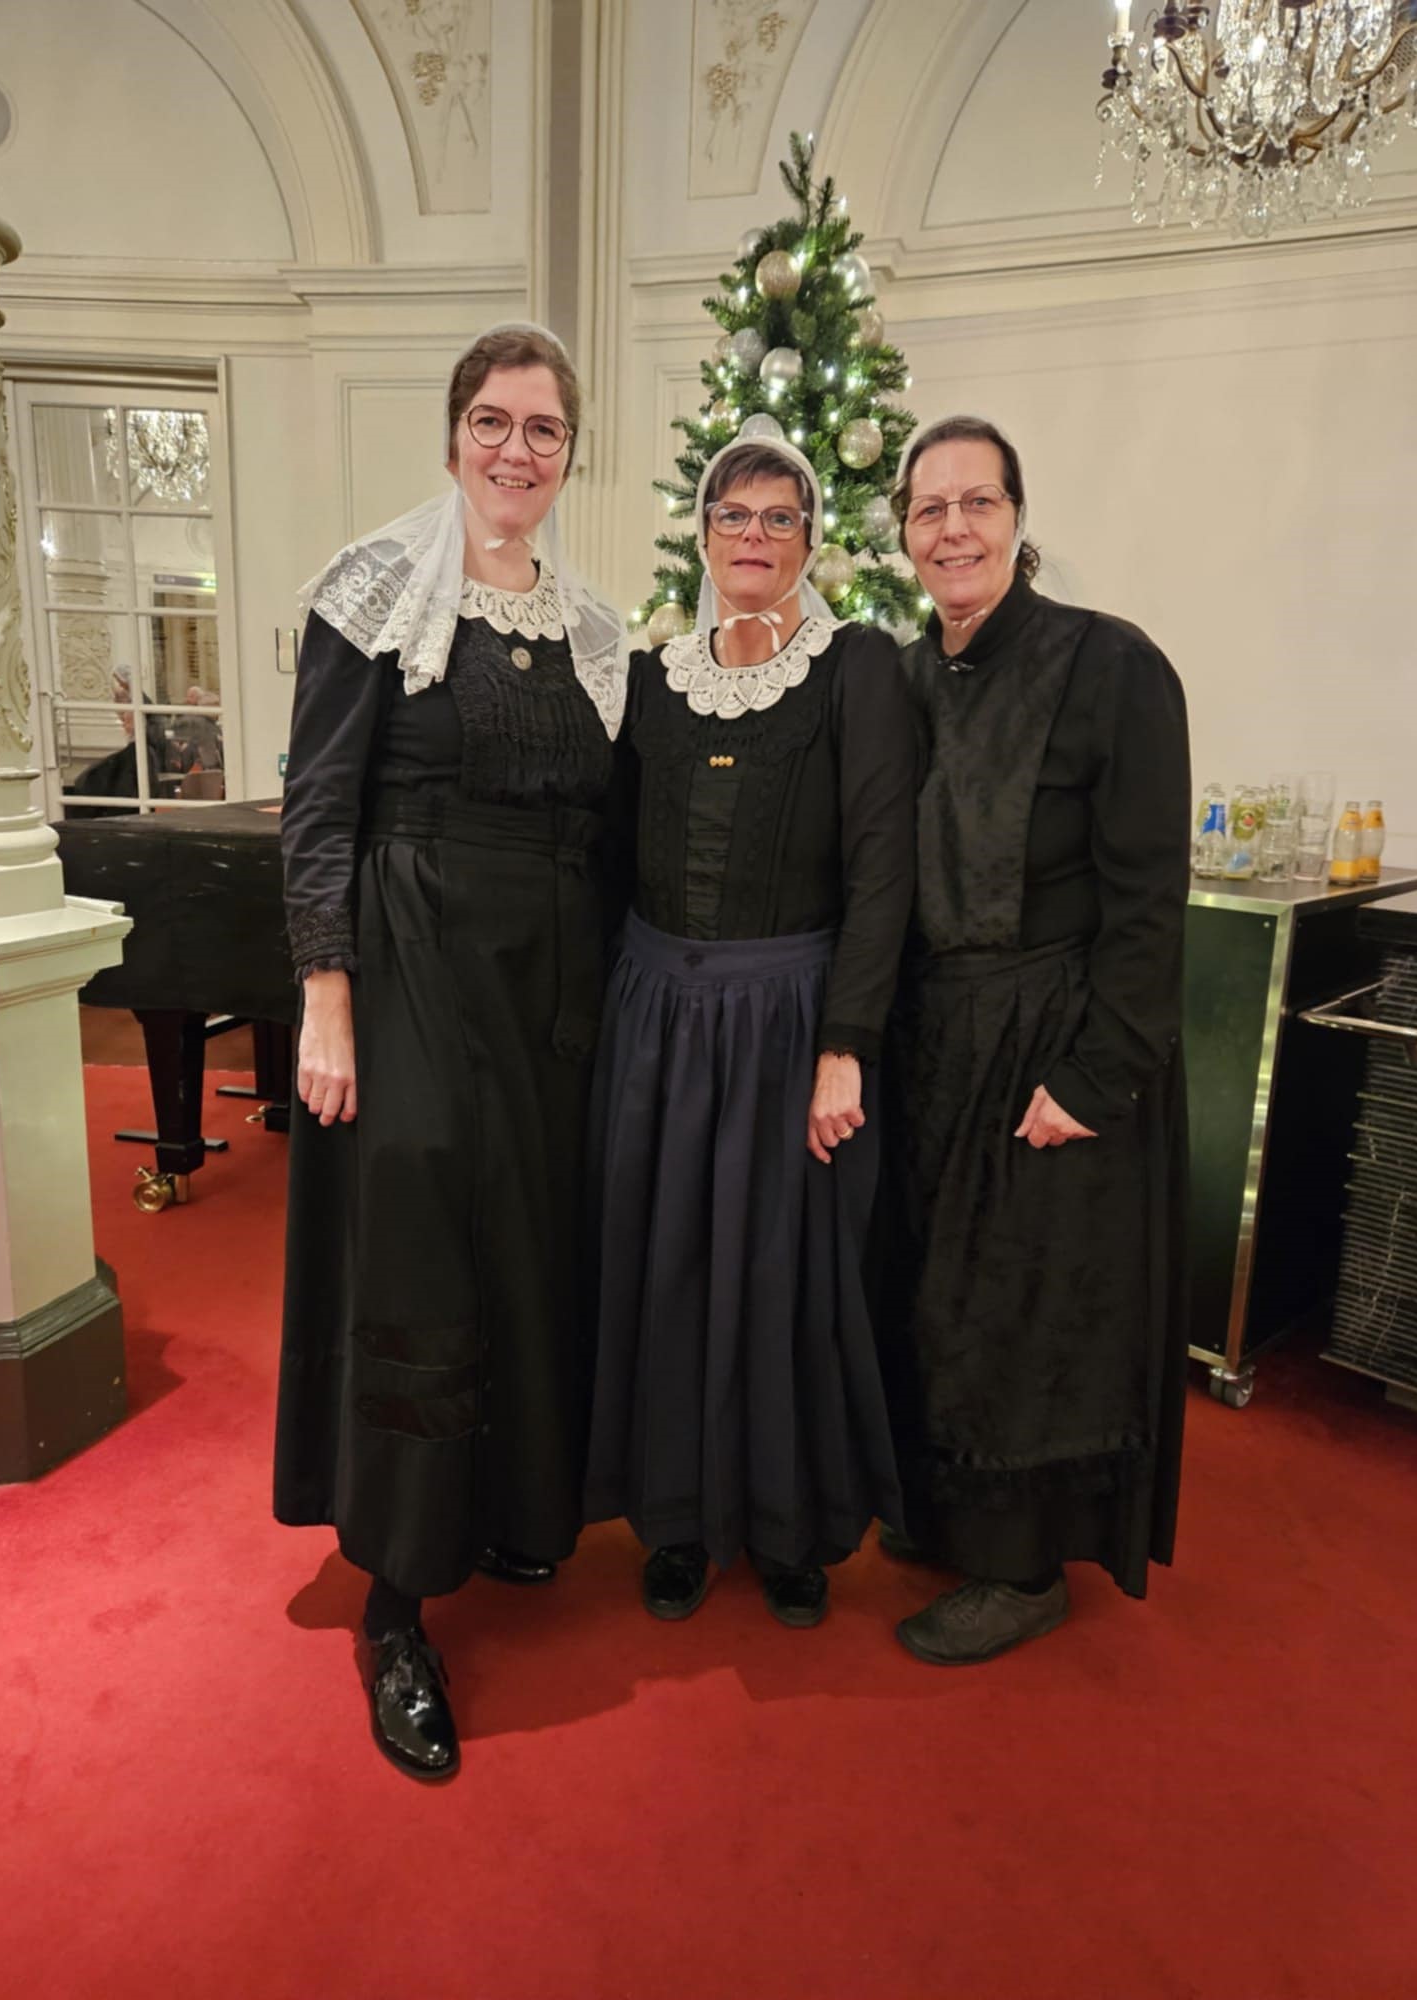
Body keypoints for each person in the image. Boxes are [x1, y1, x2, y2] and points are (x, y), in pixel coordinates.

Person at [274, 323, 627, 1779]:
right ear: (451, 435)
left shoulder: (595, 629)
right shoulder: (371, 596)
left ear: (569, 455)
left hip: (554, 986)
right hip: (411, 958)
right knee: (420, 1254)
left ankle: (506, 1510)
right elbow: (318, 811)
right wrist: (326, 997)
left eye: (544, 428)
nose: (516, 449)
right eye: (494, 421)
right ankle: (398, 1603)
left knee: (529, 1252)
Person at [584, 421, 917, 1629]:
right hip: (659, 1018)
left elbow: (886, 869)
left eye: (781, 518)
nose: (755, 537)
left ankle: (786, 1526)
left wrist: (847, 1042)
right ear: (702, 531)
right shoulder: (650, 677)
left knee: (787, 1276)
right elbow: (610, 857)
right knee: (664, 1266)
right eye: (735, 516)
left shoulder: (858, 666)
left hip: (790, 1024)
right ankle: (675, 1522)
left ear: (813, 537)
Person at [881, 414, 1190, 1665]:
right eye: (929, 507)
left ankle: (1023, 1567)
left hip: (1057, 1035)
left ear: (1018, 518)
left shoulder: (1109, 666)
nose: (954, 526)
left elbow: (1149, 895)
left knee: (1032, 1304)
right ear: (902, 534)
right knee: (943, 1293)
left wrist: (1097, 1070)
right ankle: (957, 1512)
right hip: (938, 1036)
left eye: (978, 502)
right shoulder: (902, 677)